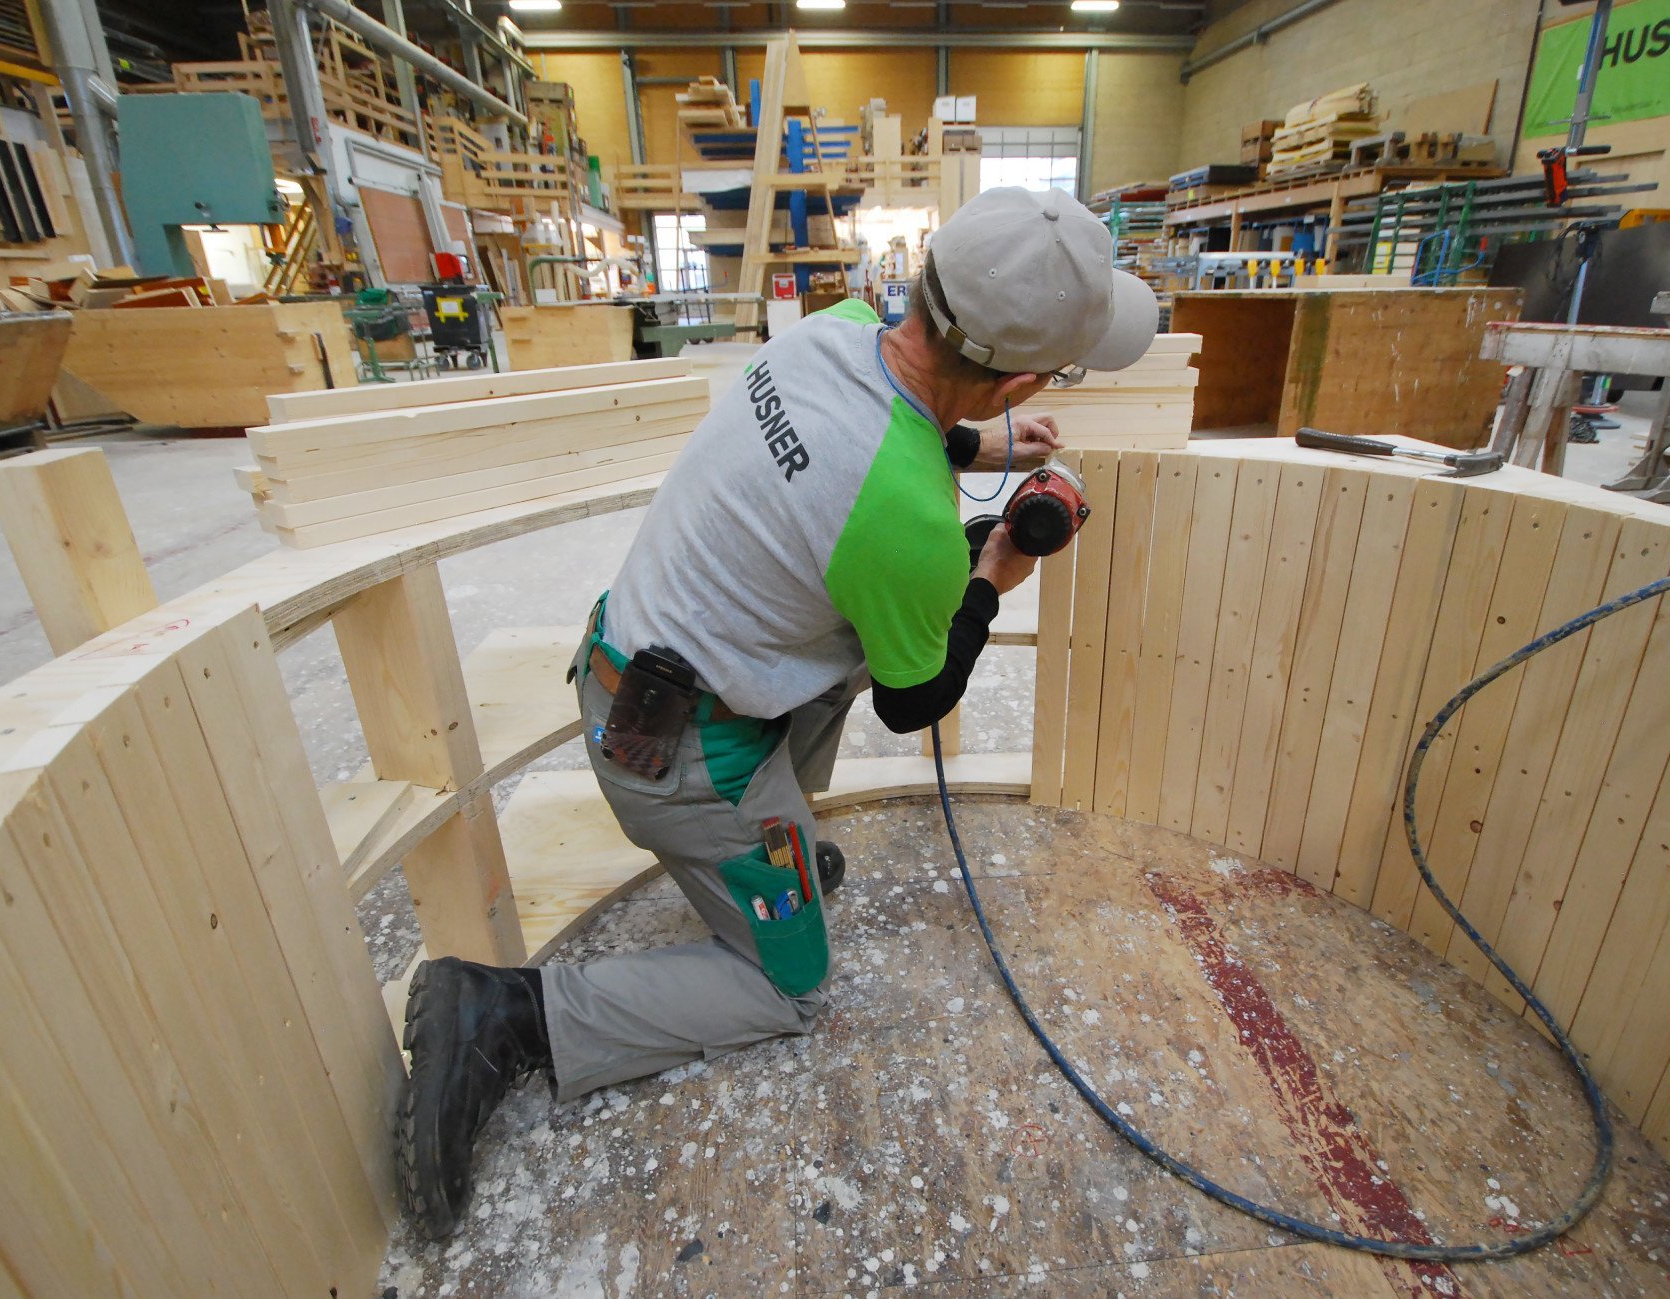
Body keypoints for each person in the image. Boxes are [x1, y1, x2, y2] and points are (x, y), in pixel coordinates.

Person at [395, 186, 1160, 1236]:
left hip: (627, 670)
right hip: (681, 758)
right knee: (786, 989)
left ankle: (765, 847)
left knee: (845, 639)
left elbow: (856, 448)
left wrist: (980, 446)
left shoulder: (830, 331)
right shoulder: (902, 526)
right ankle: (510, 1014)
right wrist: (991, 574)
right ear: (1022, 378)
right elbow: (916, 700)